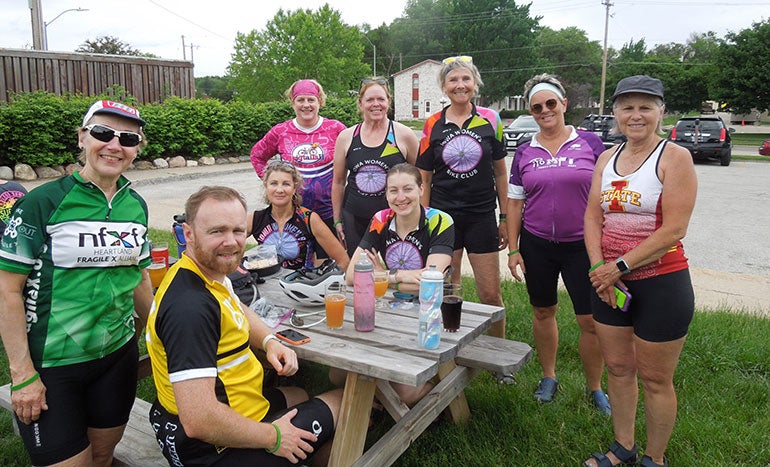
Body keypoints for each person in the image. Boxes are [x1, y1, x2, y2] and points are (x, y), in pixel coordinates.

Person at [0, 100, 154, 466]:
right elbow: (7, 290)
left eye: (128, 138)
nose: (115, 145)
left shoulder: (136, 205)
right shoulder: (43, 202)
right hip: (53, 364)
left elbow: (139, 277)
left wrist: (159, 331)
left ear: (137, 149)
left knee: (102, 456)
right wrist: (22, 374)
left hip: (117, 357)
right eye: (103, 133)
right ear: (83, 138)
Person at [146, 185, 342, 466]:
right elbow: (199, 420)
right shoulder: (190, 309)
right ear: (188, 234)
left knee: (298, 394)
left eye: (238, 231)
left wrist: (269, 341)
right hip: (212, 446)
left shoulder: (205, 272)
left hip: (232, 408)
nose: (231, 242)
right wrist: (274, 437)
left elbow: (237, 307)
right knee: (344, 402)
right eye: (217, 231)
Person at [582, 75, 697, 467]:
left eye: (645, 107)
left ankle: (655, 457)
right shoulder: (605, 158)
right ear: (614, 112)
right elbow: (593, 215)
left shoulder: (674, 157)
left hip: (661, 283)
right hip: (609, 283)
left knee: (655, 379)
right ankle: (623, 447)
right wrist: (599, 267)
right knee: (617, 368)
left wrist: (619, 266)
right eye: (627, 107)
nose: (636, 115)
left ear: (661, 112)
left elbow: (674, 229)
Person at [506, 74, 610, 413]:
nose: (545, 110)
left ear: (564, 104)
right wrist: (513, 248)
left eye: (551, 103)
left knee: (590, 320)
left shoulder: (591, 144)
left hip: (583, 245)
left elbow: (607, 195)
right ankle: (549, 376)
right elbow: (515, 203)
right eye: (537, 107)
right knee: (543, 310)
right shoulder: (525, 151)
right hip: (537, 244)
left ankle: (594, 387)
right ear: (531, 111)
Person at [334, 163, 454, 406]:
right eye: (393, 191)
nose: (400, 198)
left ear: (421, 189)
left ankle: (441, 391)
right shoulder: (381, 219)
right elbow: (350, 275)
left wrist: (383, 277)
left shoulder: (440, 221)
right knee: (336, 375)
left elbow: (430, 284)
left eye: (408, 189)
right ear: (386, 194)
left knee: (405, 393)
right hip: (386, 308)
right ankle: (377, 399)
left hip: (428, 314)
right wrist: (400, 277)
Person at [416, 56, 509, 343]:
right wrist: (425, 219)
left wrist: (504, 218)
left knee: (490, 293)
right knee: (447, 288)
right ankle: (451, 349)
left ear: (475, 83)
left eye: (465, 79)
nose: (460, 85)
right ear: (443, 87)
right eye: (453, 80)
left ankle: (498, 352)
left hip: (481, 216)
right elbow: (425, 178)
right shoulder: (433, 123)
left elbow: (501, 174)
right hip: (444, 218)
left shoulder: (491, 119)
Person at [250, 79, 346, 258]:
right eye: (300, 100)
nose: (306, 105)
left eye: (311, 100)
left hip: (329, 212)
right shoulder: (281, 131)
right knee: (293, 266)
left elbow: (353, 158)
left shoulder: (336, 128)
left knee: (331, 266)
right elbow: (257, 155)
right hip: (293, 214)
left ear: (320, 102)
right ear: (293, 103)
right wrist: (273, 183)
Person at [332, 77, 419, 257]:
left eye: (381, 99)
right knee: (359, 272)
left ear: (389, 101)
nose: (376, 104)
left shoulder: (404, 135)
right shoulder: (346, 137)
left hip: (396, 217)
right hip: (354, 217)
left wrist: (420, 215)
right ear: (360, 103)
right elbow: (338, 182)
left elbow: (421, 179)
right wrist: (337, 220)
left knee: (398, 270)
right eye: (370, 100)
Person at [248, 161, 350, 270]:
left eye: (286, 184)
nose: (279, 190)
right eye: (273, 183)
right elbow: (230, 245)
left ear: (294, 187)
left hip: (299, 282)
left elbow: (343, 260)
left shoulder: (308, 219)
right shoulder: (256, 218)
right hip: (265, 283)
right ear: (266, 186)